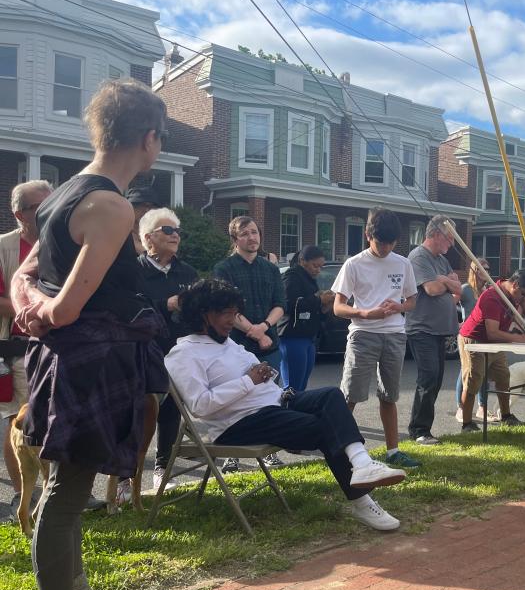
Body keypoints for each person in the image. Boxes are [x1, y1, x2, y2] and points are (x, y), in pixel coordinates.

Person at [13, 79, 170, 590]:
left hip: (62, 363)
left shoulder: (60, 195)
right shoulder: (109, 205)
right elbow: (69, 306)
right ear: (150, 140)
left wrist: (31, 307)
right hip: (89, 366)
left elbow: (22, 273)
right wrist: (46, 313)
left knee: (65, 492)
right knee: (66, 496)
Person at [165, 279, 407, 531]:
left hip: (276, 403)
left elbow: (249, 373)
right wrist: (249, 381)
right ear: (203, 314)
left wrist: (262, 373)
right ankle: (362, 501)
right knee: (325, 428)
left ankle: (362, 464)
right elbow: (200, 405)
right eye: (227, 314)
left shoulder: (226, 342)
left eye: (235, 314)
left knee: (331, 396)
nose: (232, 320)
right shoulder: (184, 354)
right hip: (240, 423)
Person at [333, 209, 419, 468]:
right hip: (362, 334)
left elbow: (412, 300)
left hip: (394, 335)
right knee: (351, 395)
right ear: (368, 235)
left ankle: (393, 451)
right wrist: (364, 313)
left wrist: (399, 307)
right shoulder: (354, 264)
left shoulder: (403, 263)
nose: (386, 248)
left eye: (391, 243)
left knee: (389, 396)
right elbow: (338, 307)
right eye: (381, 242)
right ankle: (338, 450)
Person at [213, 216, 285, 469]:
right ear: (235, 239)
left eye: (254, 232)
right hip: (236, 345)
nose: (251, 238)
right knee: (237, 399)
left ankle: (268, 451)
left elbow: (280, 305)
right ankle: (233, 453)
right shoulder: (224, 269)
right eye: (244, 234)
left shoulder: (271, 269)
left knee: (269, 398)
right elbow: (225, 308)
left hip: (270, 345)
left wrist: (264, 328)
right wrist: (255, 332)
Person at [0, 179, 52, 519]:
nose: (49, 212)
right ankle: (25, 494)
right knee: (16, 420)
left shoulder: (59, 243)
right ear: (20, 213)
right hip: (14, 347)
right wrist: (31, 309)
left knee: (51, 419)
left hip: (53, 346)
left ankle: (53, 491)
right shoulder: (4, 247)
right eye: (39, 207)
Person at [137, 207, 198, 491]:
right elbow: (130, 309)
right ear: (149, 238)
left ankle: (162, 468)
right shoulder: (133, 270)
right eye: (169, 231)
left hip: (178, 352)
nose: (176, 236)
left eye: (178, 232)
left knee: (172, 410)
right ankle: (127, 475)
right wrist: (167, 305)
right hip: (141, 351)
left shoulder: (187, 271)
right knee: (137, 412)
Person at [458, 269, 525, 432]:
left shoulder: (513, 296)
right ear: (516, 285)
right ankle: (467, 423)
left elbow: (519, 319)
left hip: (495, 342)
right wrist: (521, 339)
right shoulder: (492, 297)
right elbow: (492, 332)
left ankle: (506, 416)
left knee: (503, 376)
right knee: (473, 380)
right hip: (473, 340)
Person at [405, 215, 462, 445]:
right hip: (422, 329)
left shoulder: (441, 260)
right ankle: (419, 430)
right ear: (437, 235)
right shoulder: (419, 257)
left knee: (436, 379)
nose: (451, 244)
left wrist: (445, 280)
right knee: (428, 377)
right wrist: (444, 281)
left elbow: (457, 287)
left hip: (440, 331)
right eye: (449, 239)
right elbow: (431, 289)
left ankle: (423, 428)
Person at [278, 245, 329, 392]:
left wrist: (324, 308)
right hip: (292, 335)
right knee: (292, 386)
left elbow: (311, 306)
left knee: (302, 384)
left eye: (321, 267)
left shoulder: (309, 279)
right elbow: (289, 303)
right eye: (315, 266)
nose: (318, 270)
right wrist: (319, 300)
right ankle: (288, 412)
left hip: (308, 337)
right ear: (302, 261)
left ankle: (298, 411)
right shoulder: (291, 276)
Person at [455, 259, 494, 423]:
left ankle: (482, 407)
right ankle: (461, 407)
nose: (487, 272)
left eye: (488, 269)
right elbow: (450, 303)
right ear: (475, 270)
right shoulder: (466, 289)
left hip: (485, 336)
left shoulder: (487, 290)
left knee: (483, 371)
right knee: (466, 371)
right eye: (484, 269)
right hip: (469, 336)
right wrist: (456, 323)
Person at [126, 185, 162, 255]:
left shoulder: (159, 234)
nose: (146, 210)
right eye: (140, 205)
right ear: (130, 207)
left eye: (151, 206)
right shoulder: (120, 232)